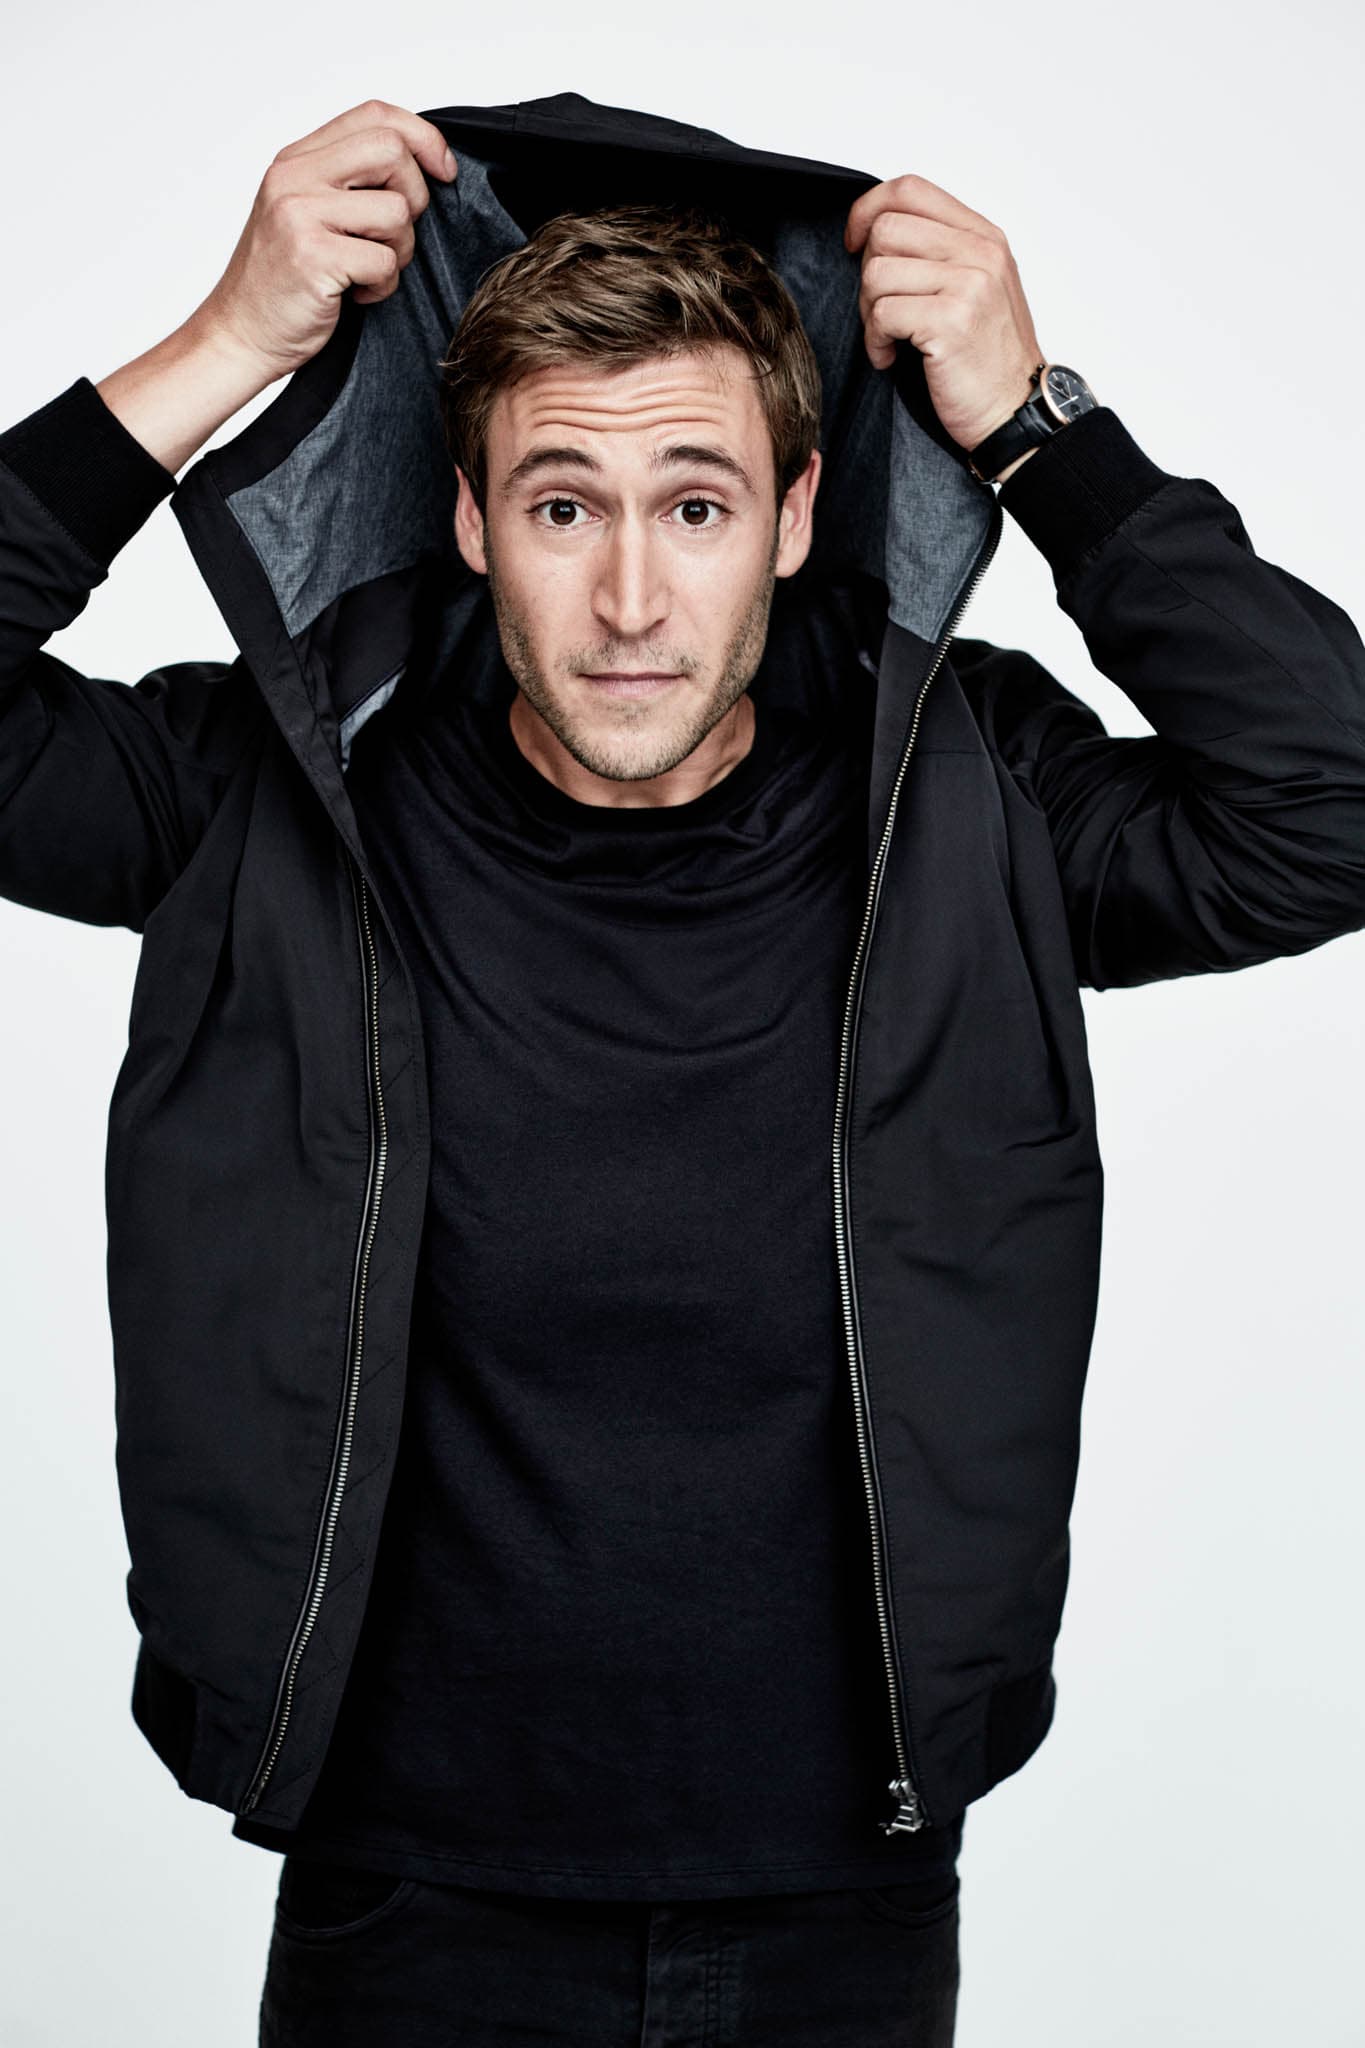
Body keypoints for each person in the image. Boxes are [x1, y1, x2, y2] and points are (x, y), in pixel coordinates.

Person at [3, 93, 1364, 2046]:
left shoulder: (962, 792)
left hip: (841, 1892)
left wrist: (1038, 431)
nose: (631, 602)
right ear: (469, 518)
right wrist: (223, 346)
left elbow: (1324, 807)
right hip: (408, 1891)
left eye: (696, 506)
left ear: (795, 519)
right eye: (563, 505)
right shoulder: (275, 791)